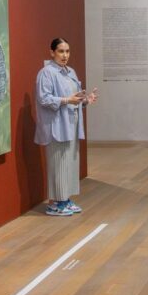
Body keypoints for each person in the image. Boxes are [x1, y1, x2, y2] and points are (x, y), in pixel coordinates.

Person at [34, 39, 98, 216]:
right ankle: (56, 203)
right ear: (52, 52)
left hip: (71, 125)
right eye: (61, 51)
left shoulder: (70, 72)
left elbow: (74, 98)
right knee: (59, 163)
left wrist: (85, 100)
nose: (65, 55)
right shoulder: (46, 73)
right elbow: (44, 99)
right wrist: (66, 100)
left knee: (70, 163)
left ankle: (64, 199)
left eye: (67, 51)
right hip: (56, 127)